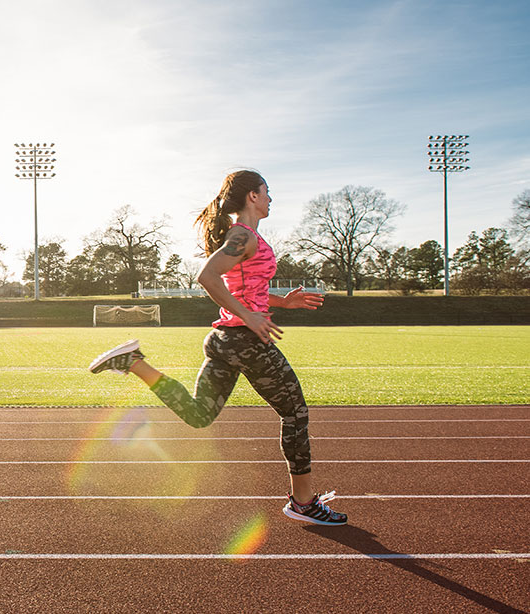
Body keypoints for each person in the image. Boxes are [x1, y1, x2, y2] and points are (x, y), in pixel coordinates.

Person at [88, 169, 347, 526]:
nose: (271, 198)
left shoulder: (247, 236)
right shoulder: (243, 235)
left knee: (199, 414)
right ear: (252, 197)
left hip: (226, 339)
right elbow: (207, 277)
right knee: (296, 413)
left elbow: (246, 291)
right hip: (246, 340)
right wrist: (252, 318)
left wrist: (281, 304)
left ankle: (134, 362)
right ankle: (303, 503)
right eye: (266, 192)